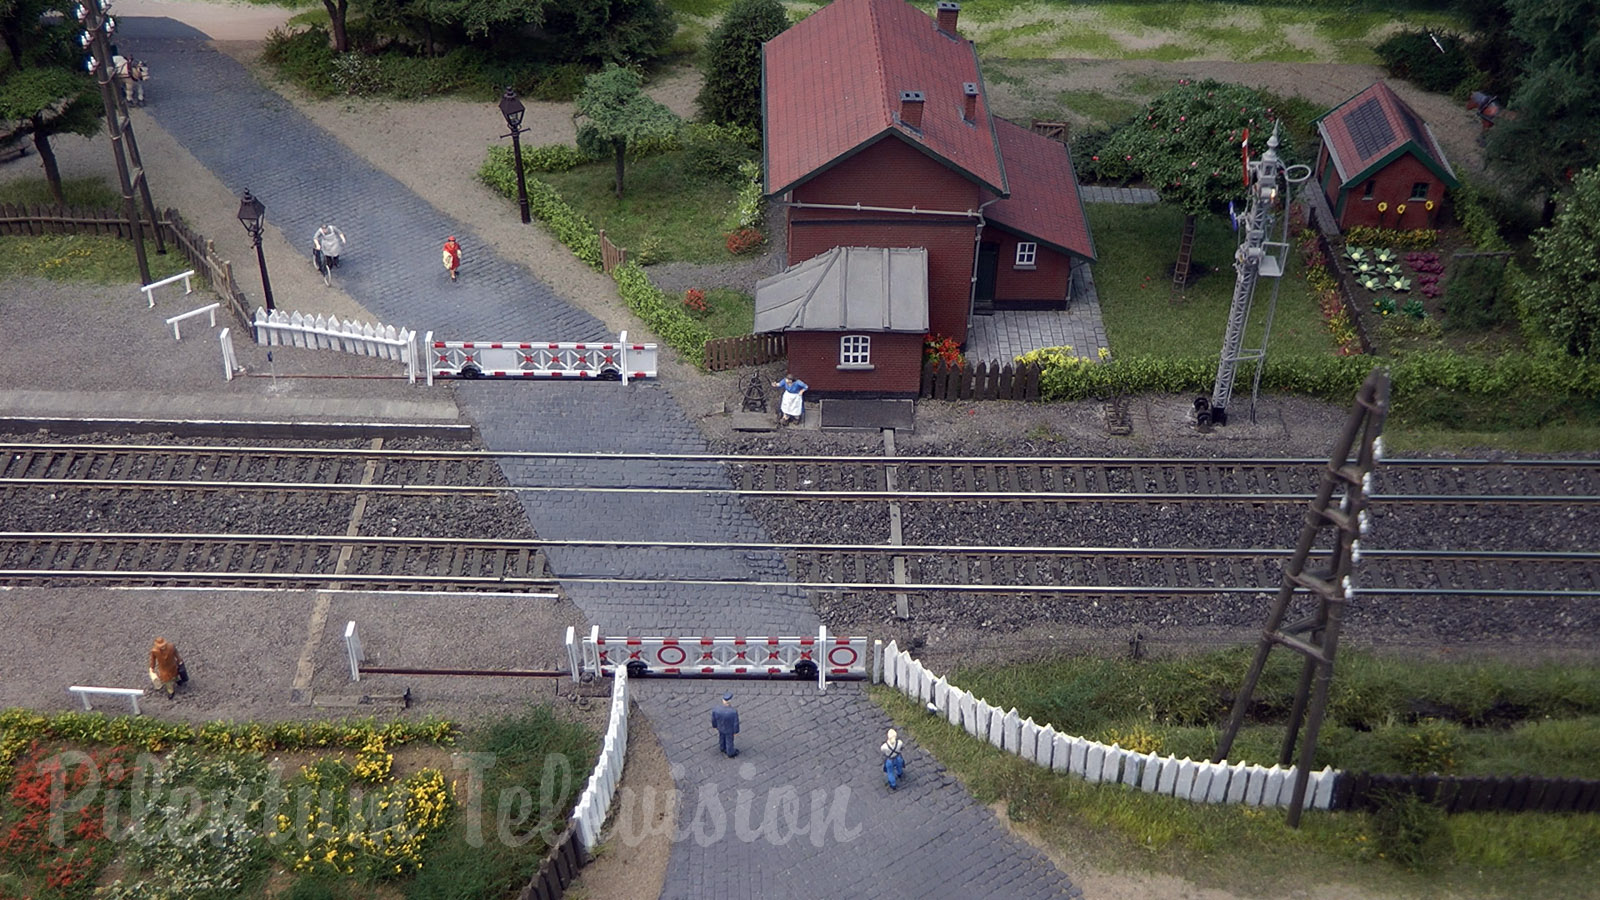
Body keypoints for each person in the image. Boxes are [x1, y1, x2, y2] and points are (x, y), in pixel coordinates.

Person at [711, 692, 740, 757]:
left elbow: (713, 719)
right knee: (729, 741)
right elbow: (736, 723)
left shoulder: (716, 709)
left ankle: (722, 747)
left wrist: (715, 726)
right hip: (729, 730)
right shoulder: (733, 712)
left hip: (720, 728)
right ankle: (730, 752)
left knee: (721, 737)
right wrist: (736, 731)